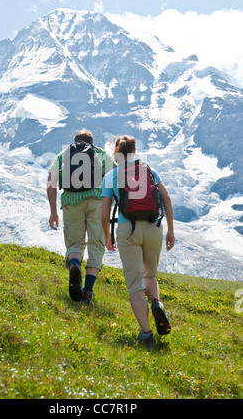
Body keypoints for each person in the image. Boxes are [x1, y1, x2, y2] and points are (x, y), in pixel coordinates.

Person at [101, 135, 175, 350]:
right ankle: (156, 304)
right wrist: (170, 229)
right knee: (149, 275)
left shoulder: (112, 176)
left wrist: (108, 236)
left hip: (128, 229)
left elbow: (105, 213)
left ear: (116, 152)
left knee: (135, 285)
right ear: (135, 150)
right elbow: (166, 198)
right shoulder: (149, 171)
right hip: (153, 227)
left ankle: (146, 334)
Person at [47, 129, 116, 304]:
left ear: (74, 141)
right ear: (92, 143)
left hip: (71, 202)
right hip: (98, 203)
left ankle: (75, 265)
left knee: (75, 244)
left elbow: (51, 181)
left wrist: (53, 211)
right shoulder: (101, 154)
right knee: (96, 246)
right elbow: (115, 179)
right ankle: (87, 293)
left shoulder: (64, 154)